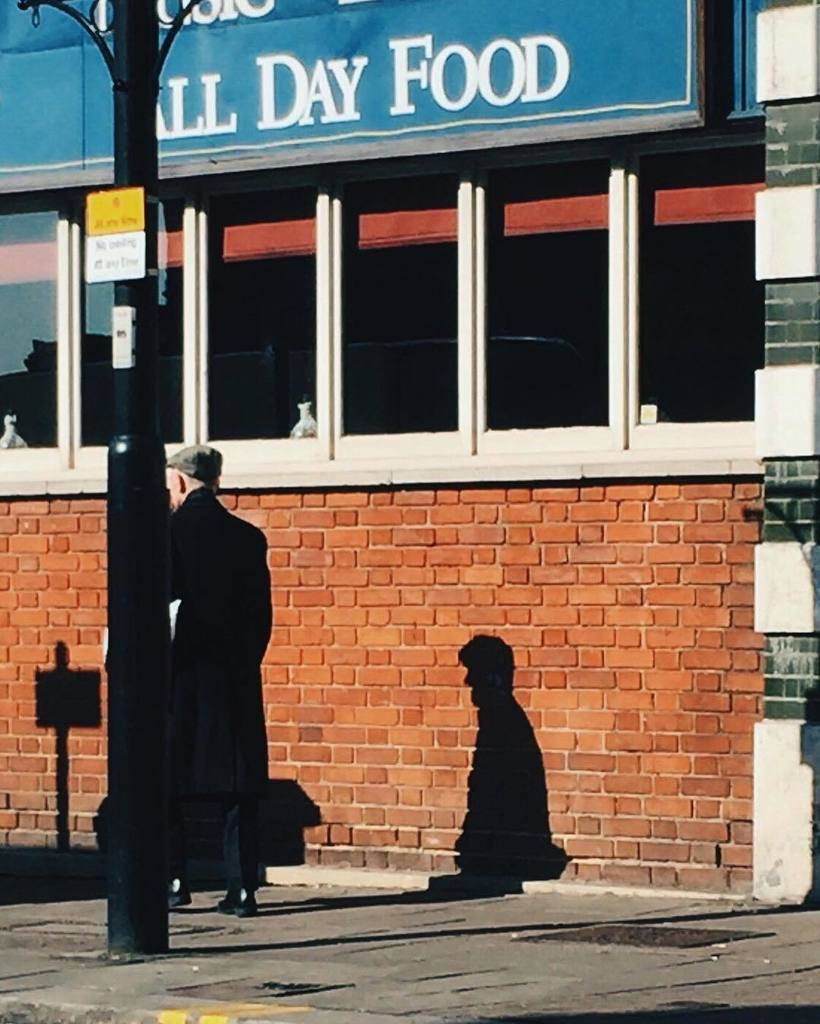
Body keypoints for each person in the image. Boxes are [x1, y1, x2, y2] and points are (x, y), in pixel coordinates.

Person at [165, 445, 272, 918]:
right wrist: (244, 660)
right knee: (238, 786)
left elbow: (156, 611)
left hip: (181, 674)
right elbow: (261, 617)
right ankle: (243, 888)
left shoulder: (166, 534)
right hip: (233, 676)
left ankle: (174, 880)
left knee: (168, 780)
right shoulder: (248, 538)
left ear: (182, 482)